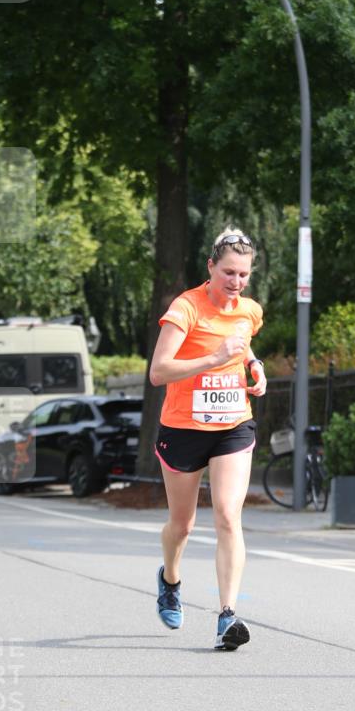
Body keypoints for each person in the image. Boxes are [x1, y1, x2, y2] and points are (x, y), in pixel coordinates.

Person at [149, 229, 266, 651]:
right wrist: (214, 359)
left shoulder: (250, 310)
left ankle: (227, 616)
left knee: (228, 515)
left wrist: (256, 366)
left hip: (233, 425)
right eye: (229, 272)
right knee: (182, 525)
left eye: (243, 275)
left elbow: (244, 346)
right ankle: (170, 579)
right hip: (183, 428)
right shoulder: (186, 308)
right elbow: (159, 372)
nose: (236, 282)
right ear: (210, 268)